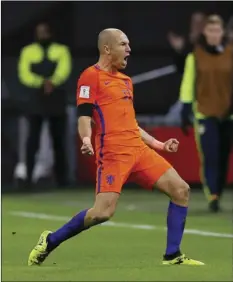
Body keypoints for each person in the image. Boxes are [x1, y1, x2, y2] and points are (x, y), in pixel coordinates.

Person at [28, 28, 204, 266]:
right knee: (102, 213)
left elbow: (130, 124)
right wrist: (87, 139)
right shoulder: (90, 76)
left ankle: (172, 255)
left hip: (139, 152)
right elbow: (83, 116)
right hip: (113, 154)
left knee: (181, 190)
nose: (129, 49)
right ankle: (50, 240)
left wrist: (159, 144)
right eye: (124, 44)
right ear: (107, 49)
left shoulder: (126, 81)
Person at [179, 15, 233, 212]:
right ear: (205, 33)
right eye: (210, 31)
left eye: (217, 30)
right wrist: (185, 107)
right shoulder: (195, 56)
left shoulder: (230, 54)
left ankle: (218, 189)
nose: (214, 35)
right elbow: (188, 83)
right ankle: (213, 196)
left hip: (228, 114)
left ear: (222, 33)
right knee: (210, 155)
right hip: (204, 113)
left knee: (223, 156)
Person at [18, 22, 72, 187]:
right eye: (40, 33)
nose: (43, 36)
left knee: (59, 141)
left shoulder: (61, 50)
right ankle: (28, 179)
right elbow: (24, 73)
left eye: (45, 33)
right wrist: (41, 82)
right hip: (36, 100)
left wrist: (53, 82)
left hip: (56, 99)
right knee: (32, 141)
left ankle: (62, 180)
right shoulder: (28, 51)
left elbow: (64, 69)